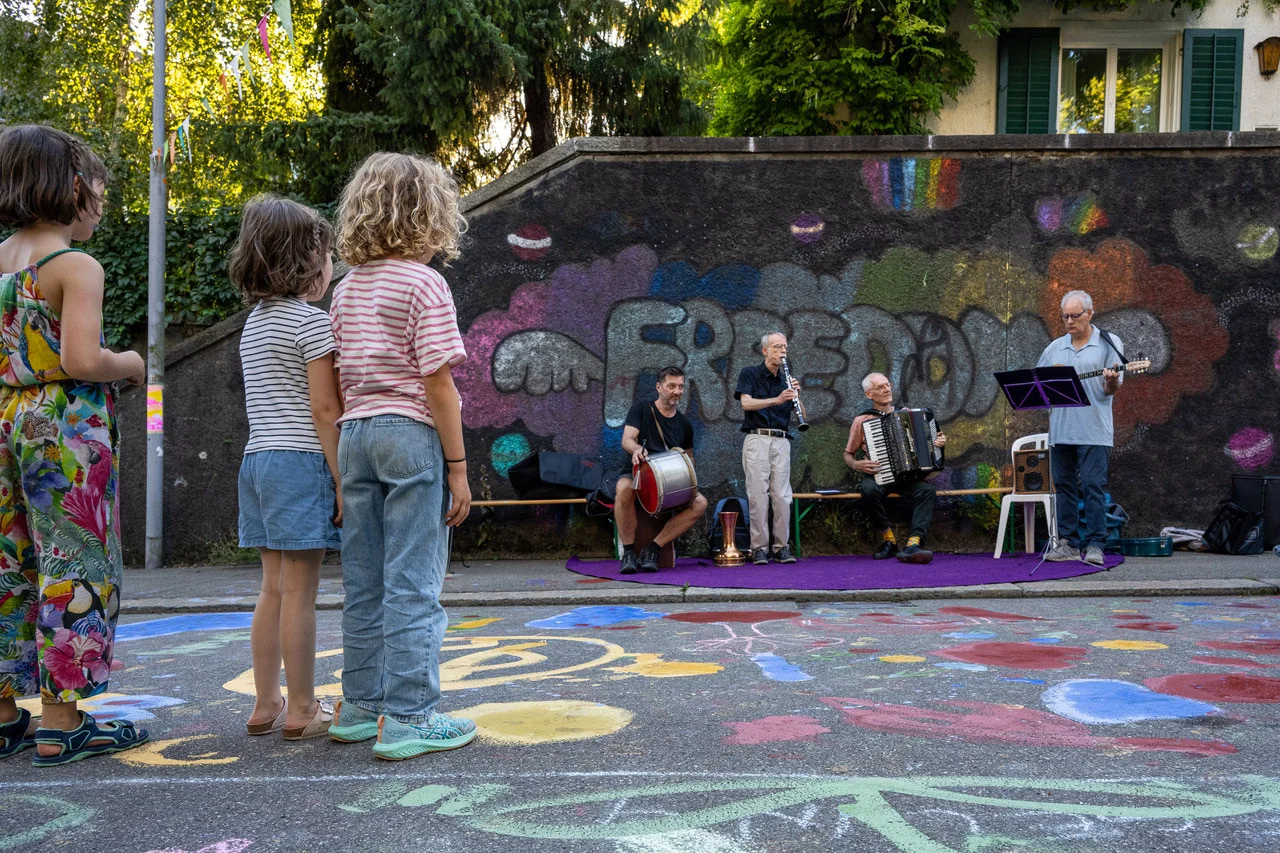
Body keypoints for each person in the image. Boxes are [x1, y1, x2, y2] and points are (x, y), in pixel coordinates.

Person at [0, 125, 149, 765]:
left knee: (9, 559)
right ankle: (61, 723)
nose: (102, 203)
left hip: (5, 416)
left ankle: (4, 716)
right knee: (73, 558)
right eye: (100, 190)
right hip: (64, 430)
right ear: (73, 187)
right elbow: (82, 359)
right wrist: (131, 364)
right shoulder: (75, 267)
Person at [326, 152, 476, 760]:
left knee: (364, 581)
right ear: (429, 213)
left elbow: (339, 379)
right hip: (408, 434)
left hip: (355, 434)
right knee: (413, 582)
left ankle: (361, 706)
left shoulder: (345, 288)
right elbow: (438, 383)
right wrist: (458, 468)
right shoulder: (423, 283)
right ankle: (411, 716)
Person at [231, 196, 343, 740]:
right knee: (301, 591)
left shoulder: (254, 325)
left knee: (271, 589)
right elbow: (325, 410)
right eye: (327, 253)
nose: (332, 264)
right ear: (307, 260)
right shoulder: (313, 324)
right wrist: (342, 479)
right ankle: (302, 708)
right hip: (300, 461)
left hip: (257, 462)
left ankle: (265, 702)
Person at [1037, 290, 1122, 567]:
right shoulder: (1054, 348)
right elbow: (1038, 385)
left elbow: (1111, 389)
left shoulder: (1108, 343)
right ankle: (1069, 543)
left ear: (1090, 313)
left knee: (1092, 486)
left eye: (1075, 315)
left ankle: (1096, 544)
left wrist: (1111, 380)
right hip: (1061, 430)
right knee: (1064, 487)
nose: (1070, 321)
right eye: (1065, 317)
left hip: (1094, 430)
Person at [843, 373, 948, 564]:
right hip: (879, 476)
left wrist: (938, 442)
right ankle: (889, 540)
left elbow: (930, 441)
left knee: (927, 491)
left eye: (888, 385)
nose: (887, 389)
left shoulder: (906, 414)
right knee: (867, 489)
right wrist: (857, 464)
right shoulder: (862, 420)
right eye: (880, 387)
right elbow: (848, 454)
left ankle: (914, 543)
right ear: (869, 394)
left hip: (908, 476)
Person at [614, 367, 709, 574]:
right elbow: (627, 439)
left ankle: (653, 549)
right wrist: (637, 450)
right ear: (659, 387)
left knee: (700, 503)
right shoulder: (641, 408)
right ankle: (629, 553)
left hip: (669, 481)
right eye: (671, 386)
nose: (677, 391)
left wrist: (689, 483)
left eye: (681, 387)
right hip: (638, 473)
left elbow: (688, 456)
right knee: (623, 488)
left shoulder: (684, 424)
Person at [734, 332, 804, 565]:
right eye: (777, 347)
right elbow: (746, 403)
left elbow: (802, 413)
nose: (783, 352)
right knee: (758, 495)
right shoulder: (750, 373)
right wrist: (777, 399)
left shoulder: (786, 380)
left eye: (785, 347)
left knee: (782, 496)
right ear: (765, 350)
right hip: (758, 438)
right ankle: (759, 549)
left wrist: (796, 395)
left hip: (781, 440)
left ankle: (782, 547)